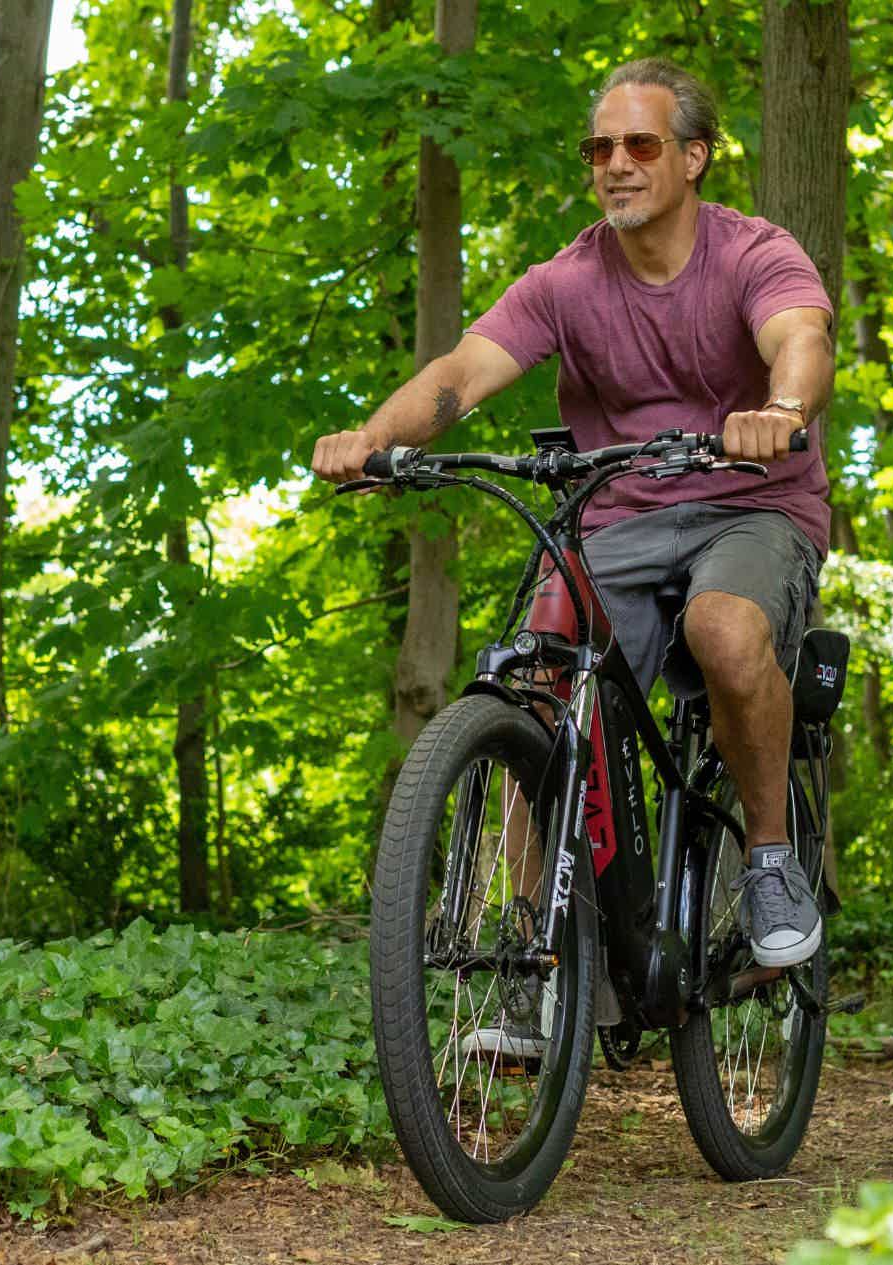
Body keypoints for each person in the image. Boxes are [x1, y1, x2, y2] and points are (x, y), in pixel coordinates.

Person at [308, 57, 837, 1052]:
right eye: (600, 148)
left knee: (725, 633)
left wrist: (778, 409)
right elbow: (464, 369)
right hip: (614, 515)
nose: (616, 164)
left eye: (640, 144)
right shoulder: (567, 278)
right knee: (536, 698)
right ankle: (533, 966)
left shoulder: (753, 253)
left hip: (747, 505)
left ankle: (767, 856)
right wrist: (378, 443)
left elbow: (800, 338)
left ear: (693, 157)